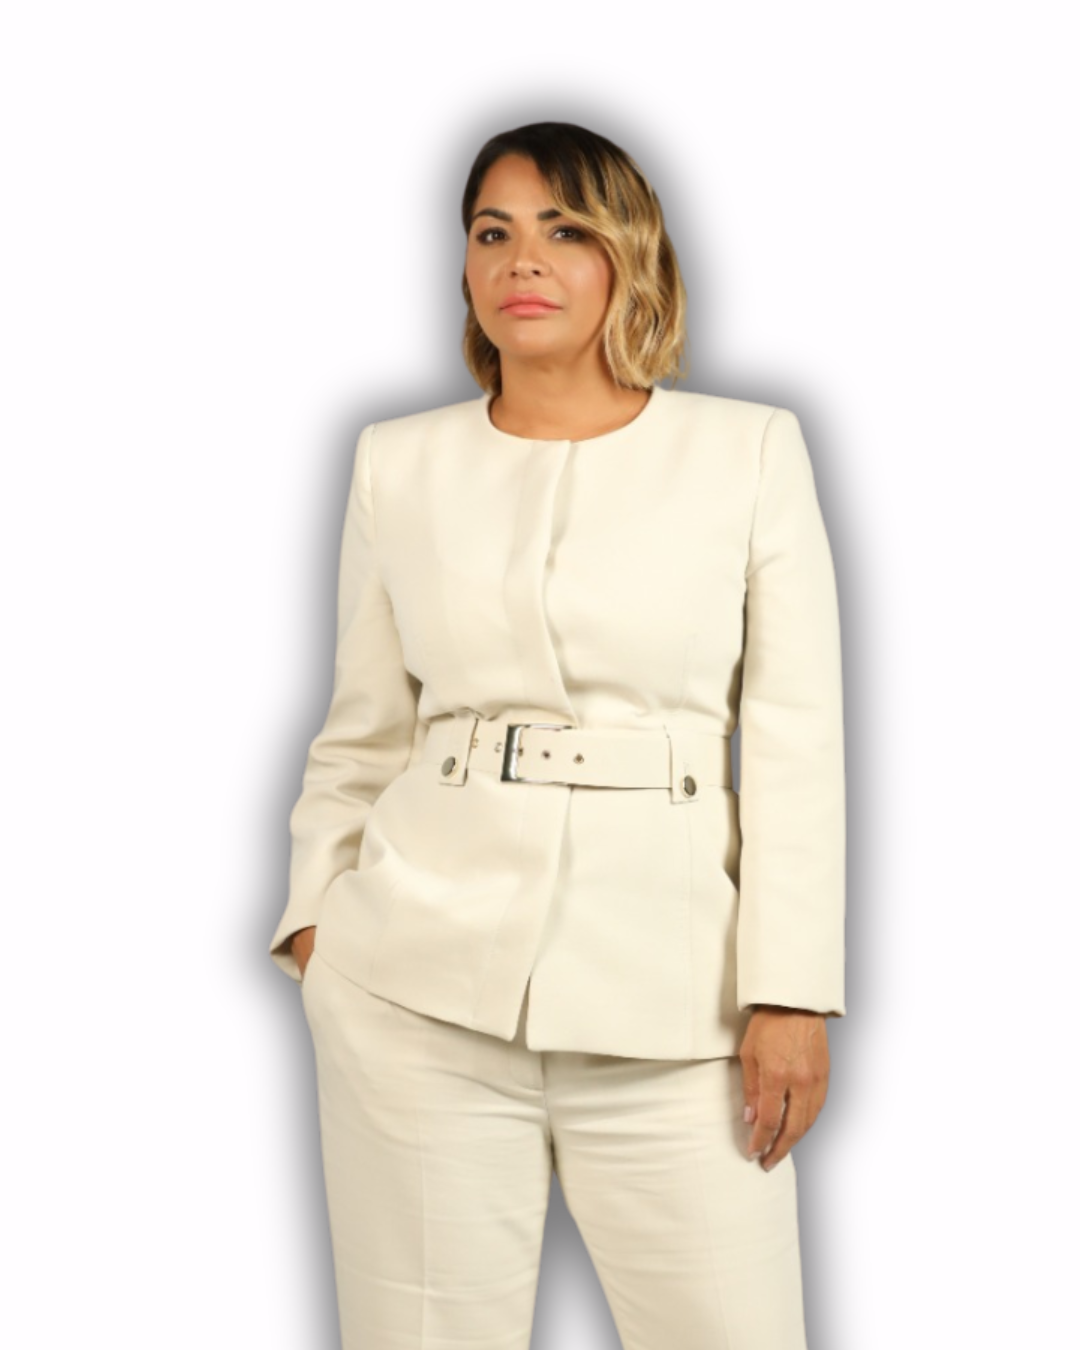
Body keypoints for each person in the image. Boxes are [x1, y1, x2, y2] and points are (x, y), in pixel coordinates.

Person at [268, 121, 846, 1349]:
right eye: (494, 232)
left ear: (628, 256)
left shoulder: (746, 451)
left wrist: (791, 993)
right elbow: (361, 733)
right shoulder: (397, 464)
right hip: (411, 996)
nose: (522, 260)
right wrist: (320, 929)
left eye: (564, 230)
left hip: (677, 1008)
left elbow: (796, 739)